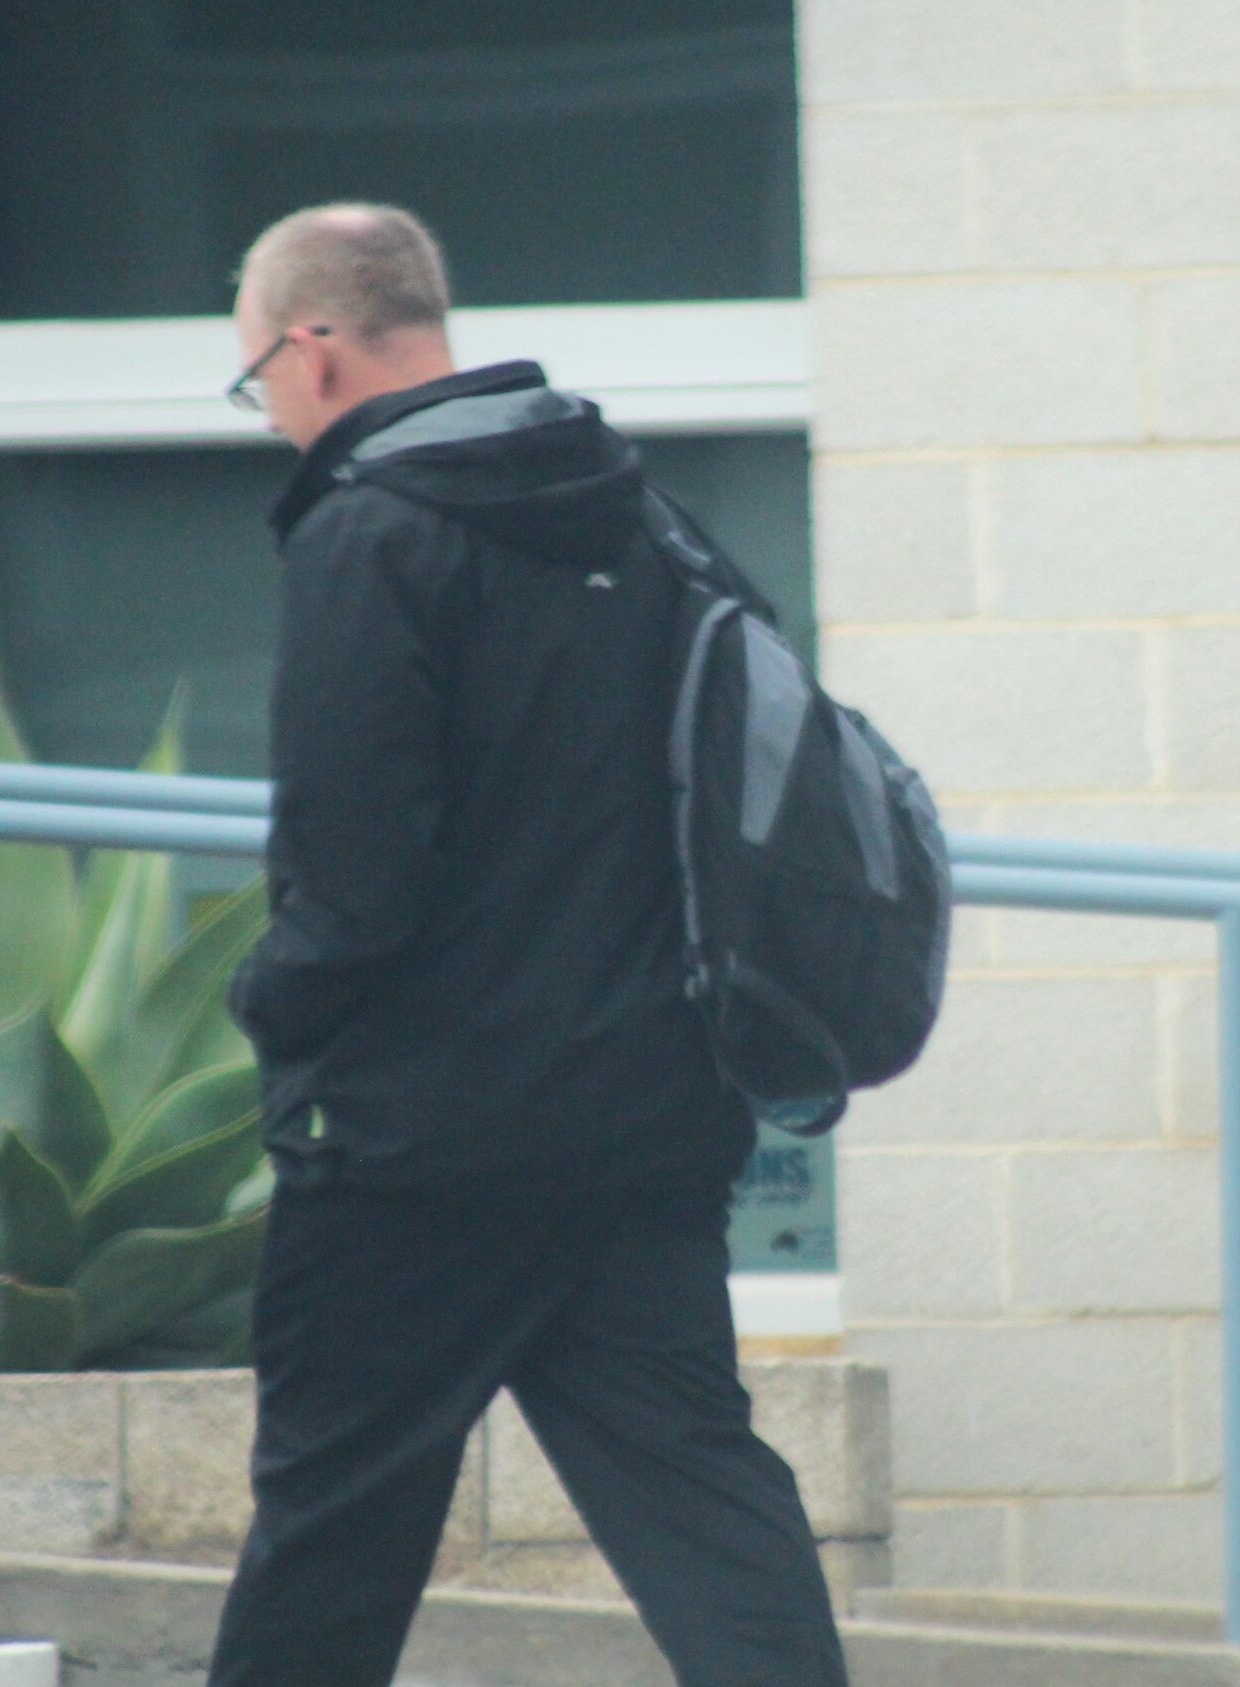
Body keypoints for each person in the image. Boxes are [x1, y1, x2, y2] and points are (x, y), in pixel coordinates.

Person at [207, 202, 850, 1687]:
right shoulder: (645, 515)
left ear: (311, 349)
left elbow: (353, 881)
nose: (268, 418)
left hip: (420, 1146)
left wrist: (272, 1011)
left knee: (334, 1528)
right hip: (644, 1117)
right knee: (702, 1498)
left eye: (254, 381)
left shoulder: (369, 534)